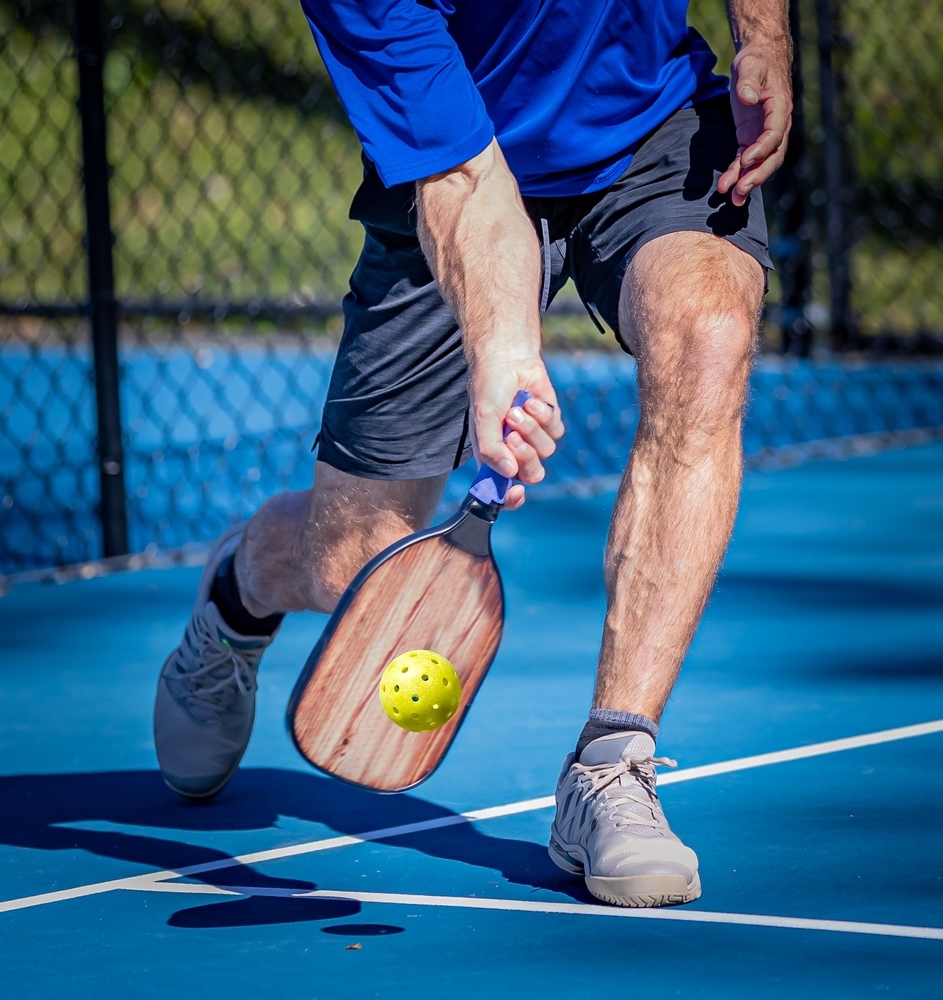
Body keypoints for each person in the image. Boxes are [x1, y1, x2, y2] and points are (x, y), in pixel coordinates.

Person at [154, 0, 792, 908]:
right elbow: (462, 179)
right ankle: (240, 586)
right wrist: (503, 351)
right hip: (457, 166)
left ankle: (612, 766)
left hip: (654, 120)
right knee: (353, 566)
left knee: (710, 339)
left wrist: (763, 34)